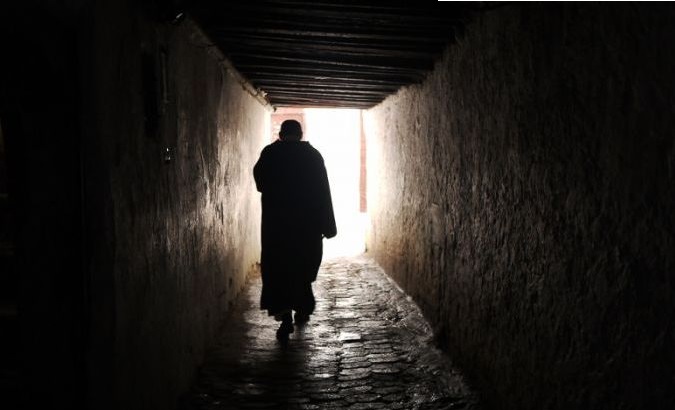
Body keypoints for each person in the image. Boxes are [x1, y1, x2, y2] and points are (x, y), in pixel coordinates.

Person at [253, 119, 337, 342]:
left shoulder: (270, 154)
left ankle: (285, 317)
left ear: (281, 134)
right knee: (301, 269)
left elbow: (260, 183)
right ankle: (302, 308)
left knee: (279, 271)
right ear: (300, 134)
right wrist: (327, 225)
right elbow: (323, 191)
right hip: (305, 227)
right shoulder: (312, 156)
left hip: (276, 228)